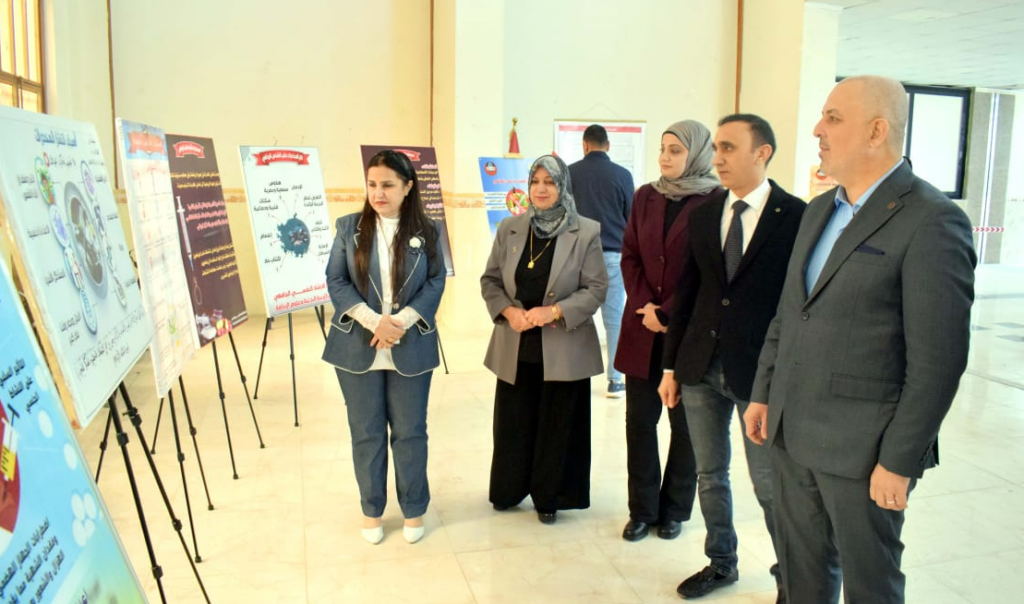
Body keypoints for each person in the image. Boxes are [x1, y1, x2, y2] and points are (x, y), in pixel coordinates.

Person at [743, 75, 976, 604]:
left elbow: (938, 362)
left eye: (833, 118)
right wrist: (764, 393)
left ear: (876, 131)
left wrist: (900, 460)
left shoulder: (932, 220)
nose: (817, 130)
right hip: (791, 432)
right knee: (803, 577)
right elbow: (790, 313)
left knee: (871, 586)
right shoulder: (819, 210)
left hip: (864, 451)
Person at [658, 114, 804, 602]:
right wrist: (671, 367)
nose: (717, 158)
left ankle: (792, 578)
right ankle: (721, 562)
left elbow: (798, 304)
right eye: (716, 148)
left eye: (728, 148)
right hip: (700, 367)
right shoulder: (705, 213)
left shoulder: (796, 216)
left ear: (762, 153)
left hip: (760, 375)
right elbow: (688, 293)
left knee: (769, 484)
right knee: (709, 474)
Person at [322, 149, 446, 546]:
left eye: (388, 185)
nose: (378, 193)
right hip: (359, 344)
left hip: (410, 343)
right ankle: (371, 509)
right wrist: (374, 321)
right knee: (366, 432)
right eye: (372, 184)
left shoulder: (429, 231)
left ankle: (413, 508)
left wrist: (400, 322)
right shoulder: (349, 228)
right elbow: (336, 280)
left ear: (408, 187)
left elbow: (436, 281)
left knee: (410, 432)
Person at [481, 154, 608, 525]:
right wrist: (508, 311)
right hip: (516, 343)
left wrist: (553, 312)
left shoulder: (586, 232)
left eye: (549, 182)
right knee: (514, 423)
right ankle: (508, 489)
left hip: (563, 347)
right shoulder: (511, 227)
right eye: (535, 181)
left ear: (562, 186)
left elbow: (596, 289)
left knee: (557, 425)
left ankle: (550, 496)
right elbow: (490, 281)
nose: (541, 189)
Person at [614, 120, 722, 542]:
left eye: (675, 150)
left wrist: (668, 312)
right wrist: (646, 306)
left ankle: (675, 509)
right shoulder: (645, 196)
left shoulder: (716, 201)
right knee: (639, 424)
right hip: (642, 328)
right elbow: (630, 255)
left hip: (688, 332)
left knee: (686, 427)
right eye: (663, 148)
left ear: (697, 154)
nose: (665, 156)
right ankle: (642, 510)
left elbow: (711, 270)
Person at [568, 124, 635, 398]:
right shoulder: (623, 175)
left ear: (585, 145)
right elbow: (631, 217)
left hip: (578, 256)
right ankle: (615, 380)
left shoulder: (569, 173)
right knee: (615, 319)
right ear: (607, 146)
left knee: (576, 316)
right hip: (613, 256)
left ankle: (575, 373)